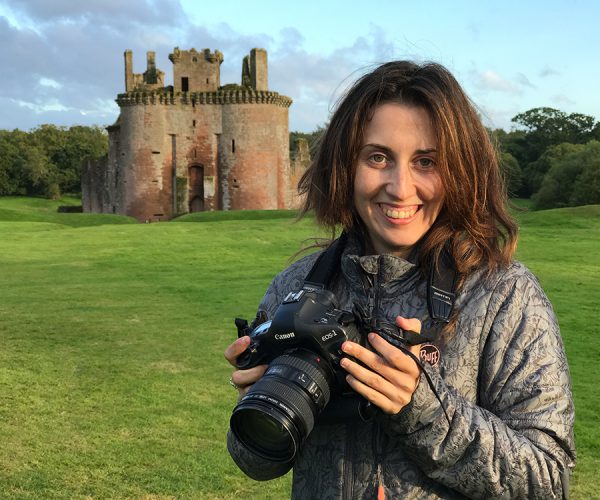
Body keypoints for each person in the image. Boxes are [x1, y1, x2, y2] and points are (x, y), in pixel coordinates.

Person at [224, 60, 576, 499]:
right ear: (344, 166)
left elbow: (548, 480)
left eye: (426, 161)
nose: (400, 186)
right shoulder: (300, 285)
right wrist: (263, 399)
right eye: (378, 157)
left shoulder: (504, 295)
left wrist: (422, 407)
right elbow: (253, 460)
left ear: (460, 170)